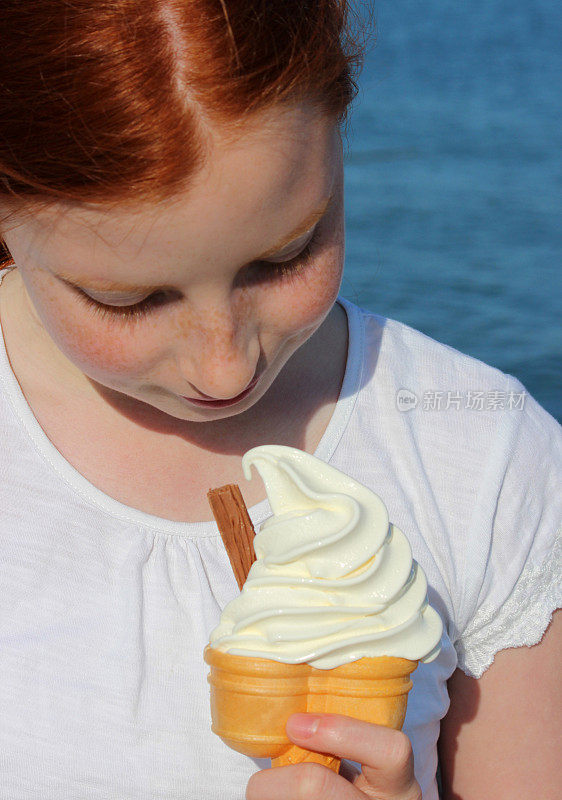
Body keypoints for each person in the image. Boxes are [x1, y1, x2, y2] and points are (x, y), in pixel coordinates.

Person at [0, 2, 559, 798]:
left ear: (341, 122)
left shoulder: (485, 461)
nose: (225, 371)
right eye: (128, 301)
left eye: (285, 256)